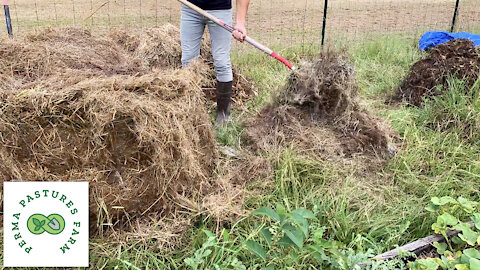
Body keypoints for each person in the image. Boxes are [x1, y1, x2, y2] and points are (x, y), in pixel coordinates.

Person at [181, 0, 250, 125]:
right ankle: (193, 113)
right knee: (188, 62)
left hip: (220, 10)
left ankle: (223, 115)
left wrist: (240, 22)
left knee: (222, 63)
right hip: (190, 9)